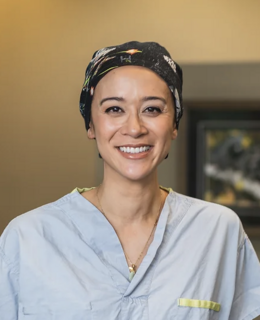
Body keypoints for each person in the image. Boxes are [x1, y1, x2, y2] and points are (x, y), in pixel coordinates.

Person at [0, 41, 260, 320]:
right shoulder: (28, 238)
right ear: (91, 124)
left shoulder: (218, 230)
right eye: (114, 109)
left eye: (152, 109)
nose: (134, 128)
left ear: (174, 124)